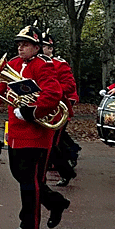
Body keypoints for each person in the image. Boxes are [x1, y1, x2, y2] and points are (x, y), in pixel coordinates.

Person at [0, 24, 70, 229]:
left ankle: (29, 227)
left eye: (26, 44)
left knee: (30, 181)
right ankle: (55, 202)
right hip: (16, 131)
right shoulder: (12, 64)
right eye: (19, 44)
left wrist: (31, 111)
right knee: (20, 176)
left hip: (36, 133)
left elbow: (53, 94)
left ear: (36, 47)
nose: (21, 48)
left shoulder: (43, 66)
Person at [41, 32, 79, 186]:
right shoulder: (36, 63)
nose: (42, 50)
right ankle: (71, 154)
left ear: (51, 49)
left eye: (45, 47)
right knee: (48, 144)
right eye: (41, 46)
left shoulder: (60, 64)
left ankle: (66, 172)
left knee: (53, 144)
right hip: (42, 109)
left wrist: (51, 91)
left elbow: (69, 85)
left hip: (57, 111)